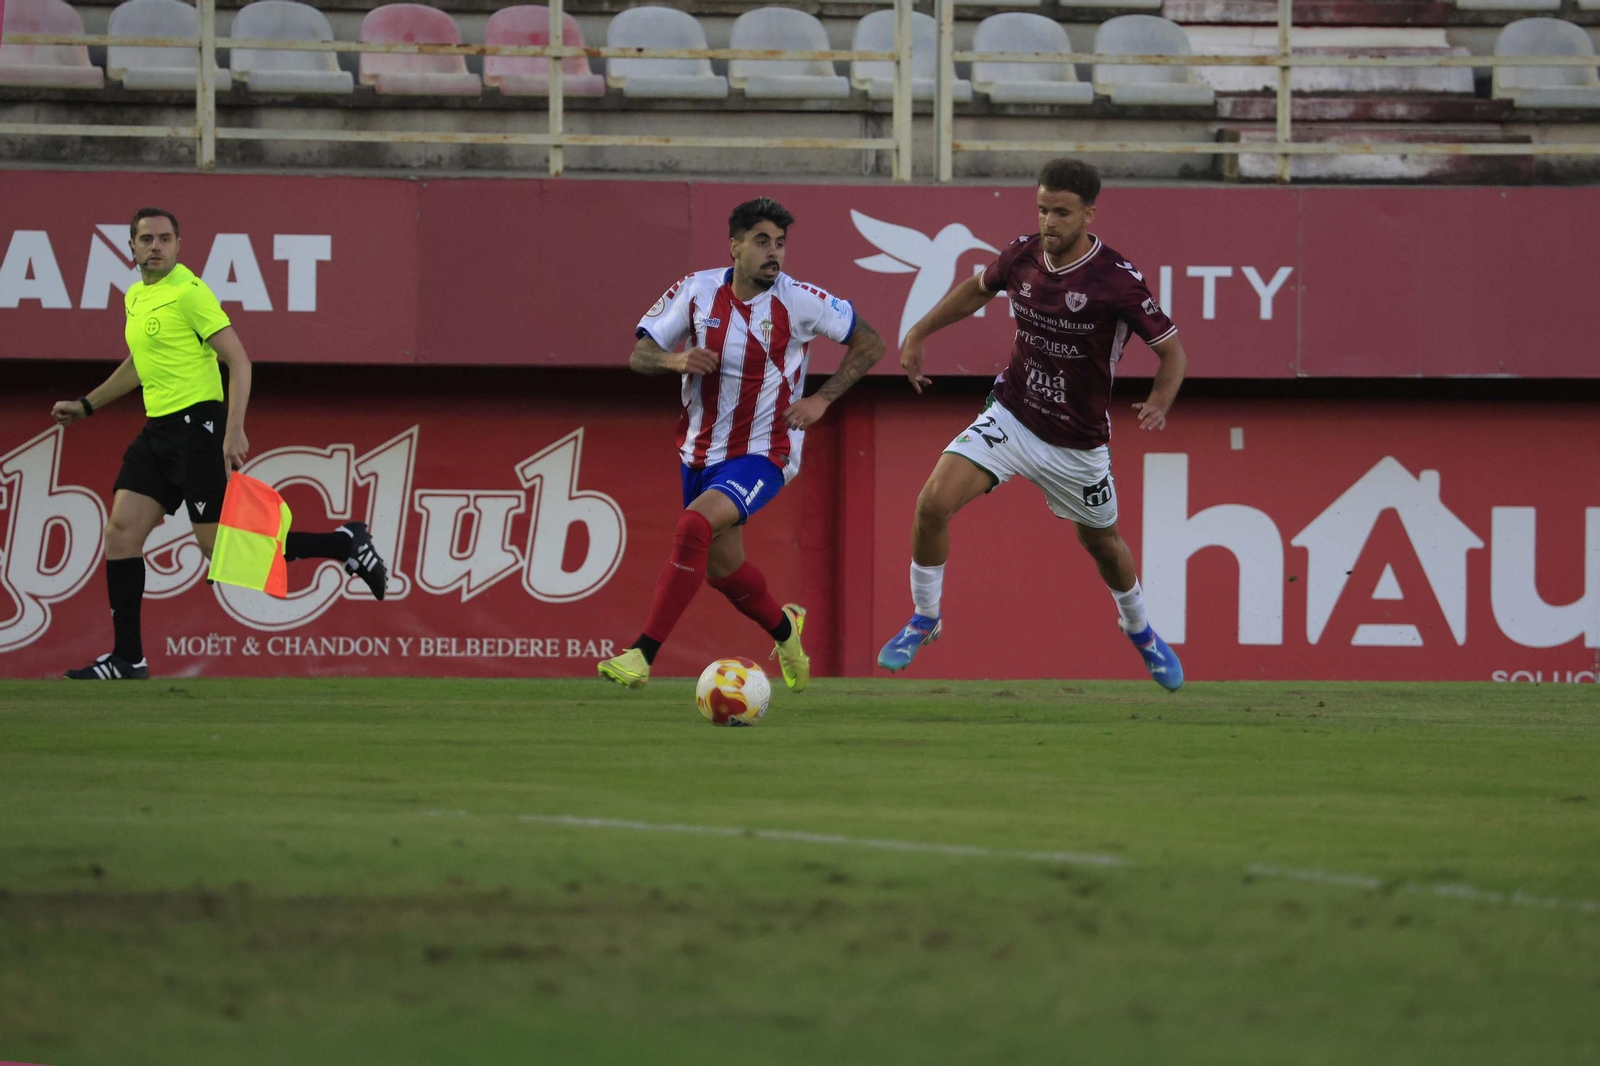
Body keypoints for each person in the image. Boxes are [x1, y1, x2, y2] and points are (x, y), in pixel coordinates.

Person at [877, 159, 1187, 690]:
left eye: (1062, 212)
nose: (1050, 221)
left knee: (1104, 546)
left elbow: (1172, 353)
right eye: (1043, 209)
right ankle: (924, 617)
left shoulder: (1117, 280)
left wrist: (1159, 401)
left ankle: (1139, 629)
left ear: (1089, 214)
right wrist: (918, 332)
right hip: (1013, 416)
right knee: (931, 504)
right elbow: (977, 289)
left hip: (1076, 444)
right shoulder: (1021, 255)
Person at [51, 206, 388, 681]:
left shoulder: (190, 293)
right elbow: (139, 362)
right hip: (158, 432)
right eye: (146, 239)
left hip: (197, 429)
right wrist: (88, 404)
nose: (155, 246)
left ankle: (343, 543)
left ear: (178, 245)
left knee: (218, 547)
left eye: (165, 239)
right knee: (121, 534)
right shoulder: (135, 297)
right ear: (130, 246)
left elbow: (240, 360)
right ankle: (128, 659)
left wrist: (233, 428)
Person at [598, 197, 885, 691]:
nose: (774, 253)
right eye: (761, 242)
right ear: (734, 246)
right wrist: (675, 361)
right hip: (699, 453)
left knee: (693, 525)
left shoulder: (800, 301)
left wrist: (821, 400)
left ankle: (641, 655)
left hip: (765, 452)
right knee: (723, 571)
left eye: (780, 244)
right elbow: (640, 354)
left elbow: (871, 342)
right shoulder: (696, 291)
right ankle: (785, 629)